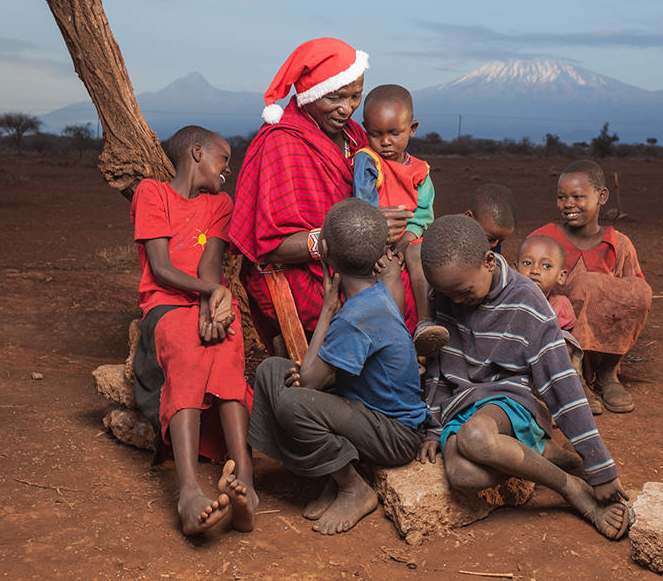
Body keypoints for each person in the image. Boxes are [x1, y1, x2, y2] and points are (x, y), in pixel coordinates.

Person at [416, 215, 632, 540]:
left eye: (463, 292)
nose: (456, 301)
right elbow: (437, 365)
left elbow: (562, 387)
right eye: (448, 294)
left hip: (509, 399)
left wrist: (598, 463)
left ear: (489, 261)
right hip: (460, 402)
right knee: (463, 475)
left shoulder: (527, 303)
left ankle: (570, 487)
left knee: (475, 438)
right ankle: (553, 458)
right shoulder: (446, 291)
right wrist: (433, 426)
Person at [248, 198, 427, 535]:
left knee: (292, 402)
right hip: (367, 409)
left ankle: (353, 487)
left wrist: (328, 311)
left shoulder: (353, 318)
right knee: (271, 369)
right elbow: (313, 374)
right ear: (378, 255)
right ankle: (337, 470)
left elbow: (311, 383)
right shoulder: (375, 290)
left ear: (324, 250)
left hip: (397, 434)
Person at [230, 38, 412, 353]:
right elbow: (269, 248)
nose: (347, 108)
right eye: (335, 98)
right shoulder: (281, 144)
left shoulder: (357, 135)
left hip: (362, 262)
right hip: (305, 277)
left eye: (355, 96)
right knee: (380, 305)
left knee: (430, 278)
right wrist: (359, 232)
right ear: (309, 94)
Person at [128, 125, 256, 536]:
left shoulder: (220, 203)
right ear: (196, 152)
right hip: (164, 304)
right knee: (186, 352)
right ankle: (188, 494)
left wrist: (212, 306)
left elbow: (210, 266)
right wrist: (212, 292)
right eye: (224, 160)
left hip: (204, 297)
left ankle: (247, 488)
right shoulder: (152, 192)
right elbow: (163, 269)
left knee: (227, 349)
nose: (228, 171)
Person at [528, 160, 652, 414]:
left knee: (639, 289)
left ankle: (607, 375)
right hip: (558, 343)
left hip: (605, 348)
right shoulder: (545, 238)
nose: (568, 204)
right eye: (562, 197)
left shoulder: (618, 244)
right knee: (584, 285)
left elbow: (634, 301)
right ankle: (575, 379)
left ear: (602, 196)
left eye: (578, 196)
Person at [351, 84, 440, 355]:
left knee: (420, 255)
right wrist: (381, 243)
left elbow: (424, 212)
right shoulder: (367, 161)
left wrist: (408, 238)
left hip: (409, 236)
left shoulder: (419, 170)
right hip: (375, 238)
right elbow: (364, 204)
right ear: (365, 128)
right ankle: (395, 334)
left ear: (412, 128)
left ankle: (425, 323)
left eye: (394, 133)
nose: (385, 141)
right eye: (376, 134)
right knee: (388, 269)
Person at [516, 234, 596, 412]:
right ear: (515, 269)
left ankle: (570, 393)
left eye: (546, 266)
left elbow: (568, 336)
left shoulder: (561, 304)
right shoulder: (510, 302)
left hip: (549, 365)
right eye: (527, 263)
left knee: (565, 342)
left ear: (561, 276)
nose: (535, 270)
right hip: (518, 366)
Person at [464, 183, 517, 252]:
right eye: (488, 239)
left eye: (500, 241)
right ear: (469, 218)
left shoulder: (492, 234)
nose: (494, 245)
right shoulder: (449, 243)